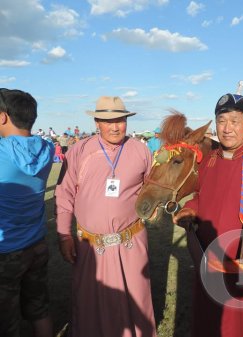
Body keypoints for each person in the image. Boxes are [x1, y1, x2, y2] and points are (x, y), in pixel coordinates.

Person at [173, 93, 243, 337]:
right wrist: (191, 209)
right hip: (211, 269)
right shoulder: (210, 160)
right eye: (221, 121)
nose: (227, 128)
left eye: (234, 121)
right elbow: (202, 196)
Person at [54, 96, 156, 337]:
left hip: (131, 243)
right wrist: (63, 235)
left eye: (119, 120)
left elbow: (151, 191)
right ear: (97, 122)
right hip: (91, 246)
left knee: (136, 300)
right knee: (89, 302)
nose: (114, 126)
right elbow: (64, 194)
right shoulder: (80, 150)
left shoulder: (140, 150)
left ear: (126, 121)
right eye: (107, 121)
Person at [0, 88, 55, 337]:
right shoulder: (47, 148)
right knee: (39, 309)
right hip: (37, 243)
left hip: (6, 250)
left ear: (3, 117)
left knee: (7, 320)